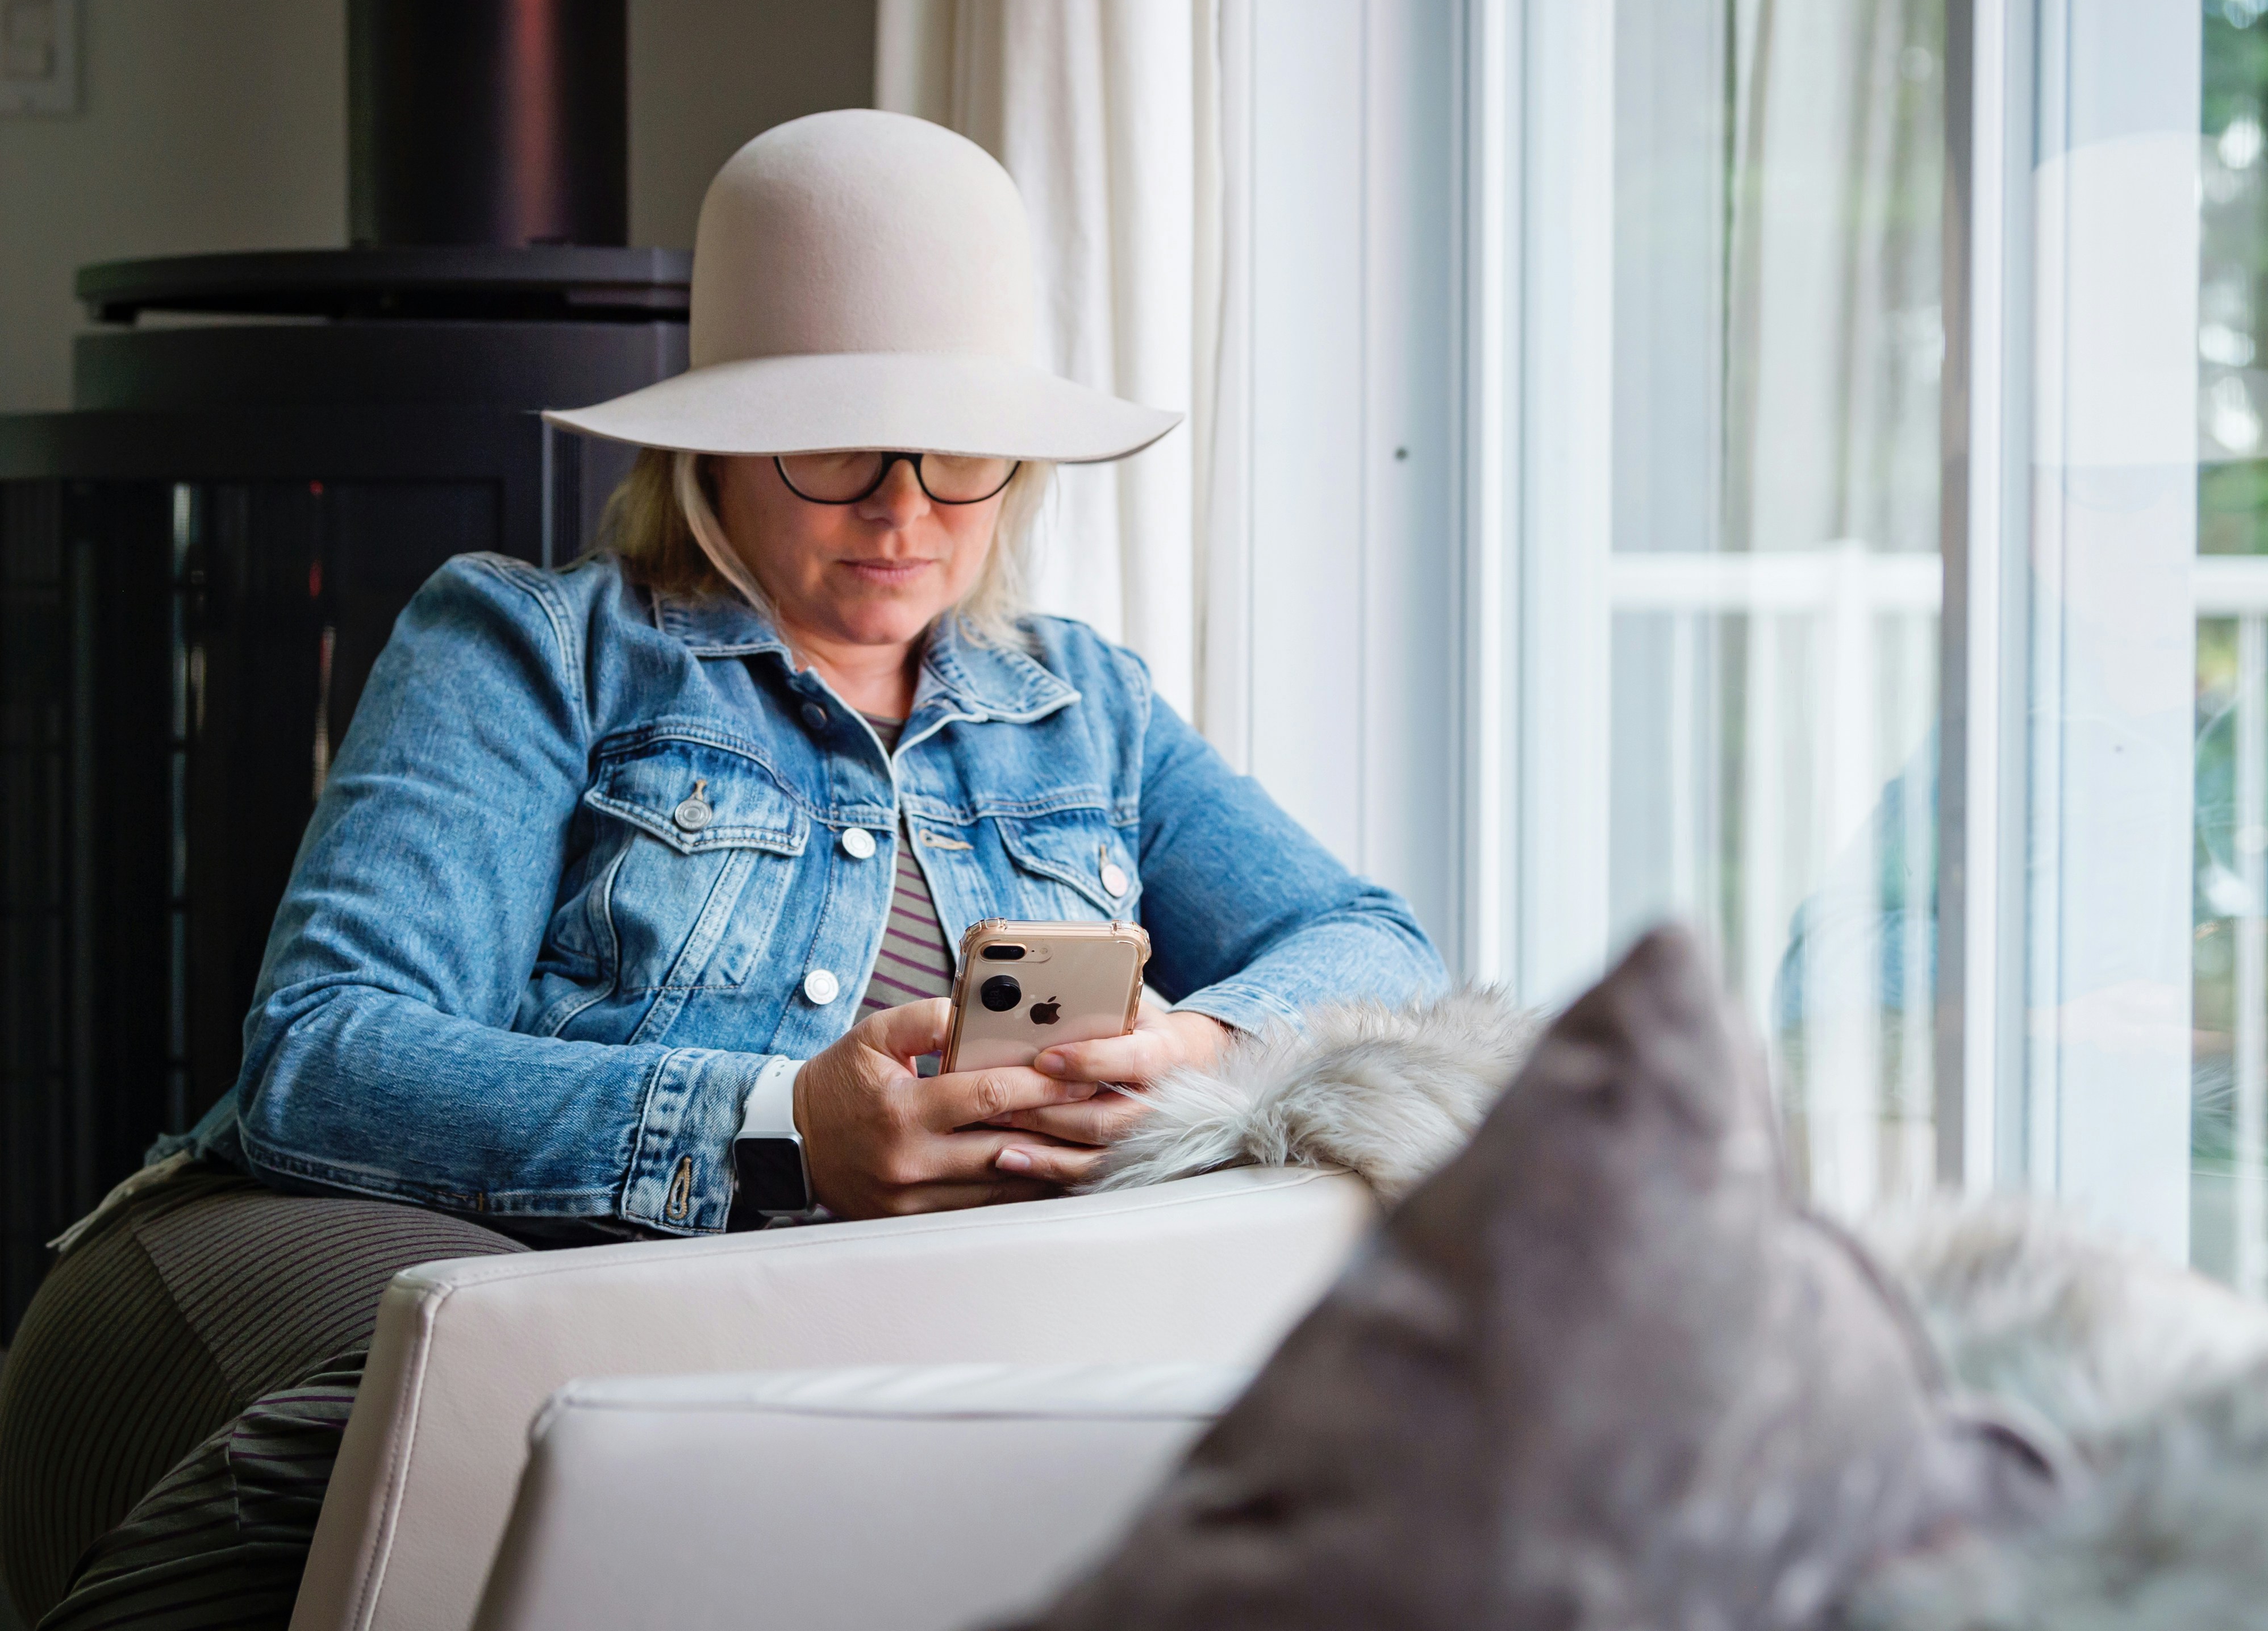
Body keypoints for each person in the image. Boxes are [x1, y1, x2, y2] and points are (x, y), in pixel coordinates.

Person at [0, 109, 1445, 1631]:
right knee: (401, 1447)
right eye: (837, 445)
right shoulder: (535, 647)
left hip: (889, 1319)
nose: (905, 507)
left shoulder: (1086, 704)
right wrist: (782, 1133)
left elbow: (1370, 941)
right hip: (485, 1258)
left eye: (961, 451)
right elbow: (327, 1056)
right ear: (716, 446)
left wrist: (1200, 1051)